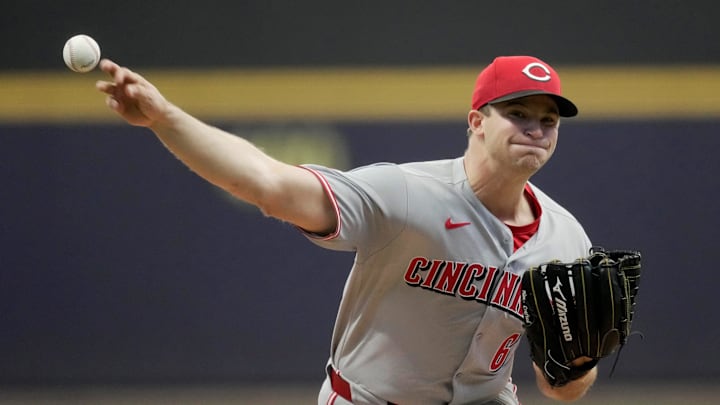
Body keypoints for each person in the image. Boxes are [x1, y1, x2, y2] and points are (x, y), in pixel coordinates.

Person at [96, 55, 596, 404]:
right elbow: (268, 184)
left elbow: (560, 390)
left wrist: (578, 363)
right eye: (518, 113)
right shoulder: (404, 193)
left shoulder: (568, 243)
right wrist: (165, 118)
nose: (536, 128)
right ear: (477, 121)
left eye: (549, 119)